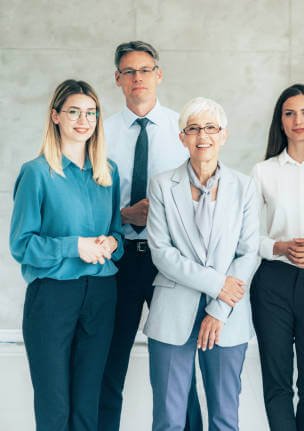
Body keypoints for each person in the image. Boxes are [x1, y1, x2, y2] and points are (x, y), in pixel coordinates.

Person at [99, 41, 202, 431]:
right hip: (119, 258)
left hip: (169, 262)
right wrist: (123, 214)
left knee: (179, 366)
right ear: (118, 80)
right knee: (110, 364)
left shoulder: (184, 132)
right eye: (129, 71)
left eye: (145, 70)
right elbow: (90, 200)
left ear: (159, 74)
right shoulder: (101, 132)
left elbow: (201, 201)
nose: (137, 78)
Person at [9, 79, 123, 430]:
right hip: (53, 297)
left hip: (101, 295)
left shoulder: (109, 172)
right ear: (56, 116)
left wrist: (112, 243)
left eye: (91, 112)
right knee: (55, 406)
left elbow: (116, 230)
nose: (83, 120)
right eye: (74, 111)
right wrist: (75, 246)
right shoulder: (36, 173)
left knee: (88, 404)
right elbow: (22, 244)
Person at [145, 97, 259, 431]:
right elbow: (162, 253)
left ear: (223, 135)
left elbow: (248, 253)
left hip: (228, 314)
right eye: (193, 128)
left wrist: (219, 307)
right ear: (182, 137)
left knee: (225, 419)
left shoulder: (245, 187)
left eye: (211, 128)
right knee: (169, 419)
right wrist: (217, 284)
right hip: (172, 311)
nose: (202, 136)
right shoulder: (162, 185)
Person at [250, 84, 304, 431]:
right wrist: (279, 247)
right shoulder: (263, 172)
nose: (298, 120)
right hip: (273, 282)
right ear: (280, 122)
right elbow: (246, 238)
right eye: (289, 113)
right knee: (277, 382)